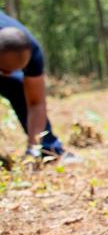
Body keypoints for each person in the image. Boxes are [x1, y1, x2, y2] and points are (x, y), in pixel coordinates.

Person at [0, 12, 76, 162]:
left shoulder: (33, 51)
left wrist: (33, 149)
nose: (7, 74)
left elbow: (36, 102)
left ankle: (47, 148)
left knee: (18, 86)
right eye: (4, 70)